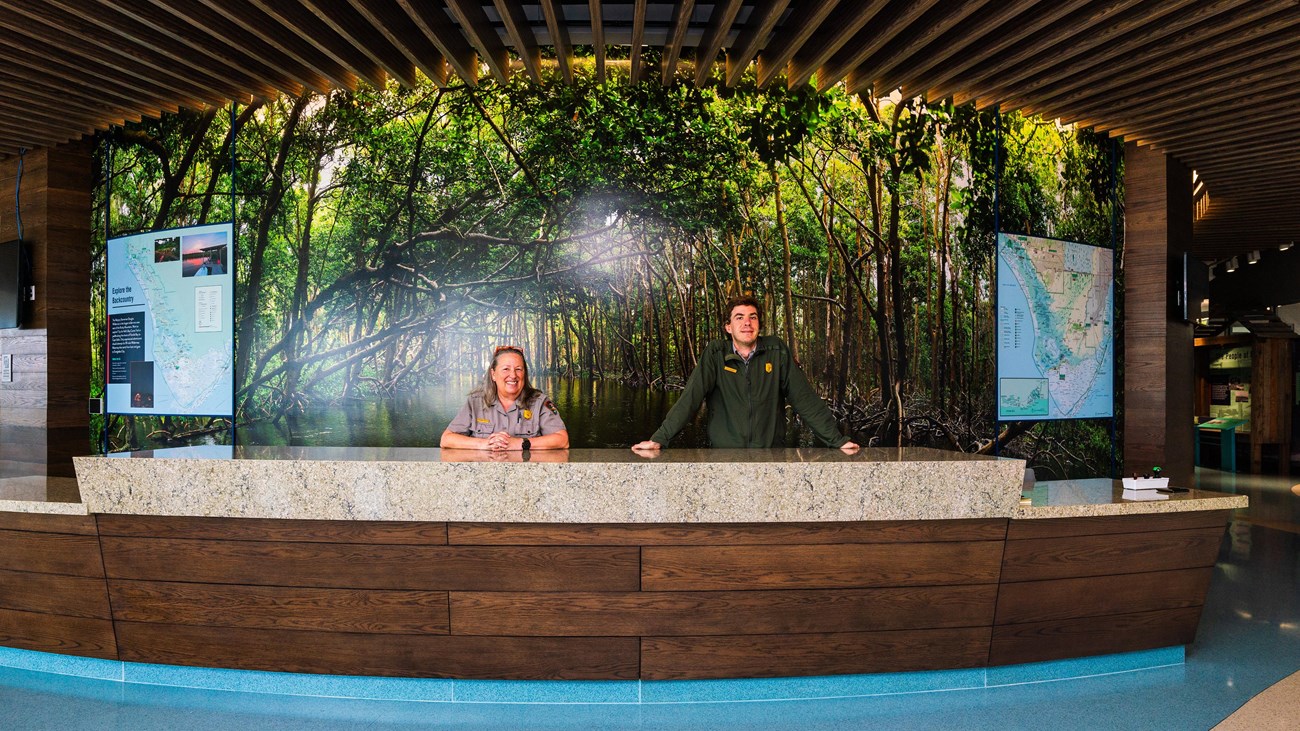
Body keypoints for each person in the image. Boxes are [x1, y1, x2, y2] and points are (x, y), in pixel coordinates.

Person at [632, 295, 859, 453]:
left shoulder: (775, 350)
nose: (747, 323)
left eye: (753, 317)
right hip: (725, 456)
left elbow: (804, 398)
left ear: (759, 324)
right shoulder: (716, 354)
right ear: (728, 327)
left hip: (770, 455)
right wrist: (659, 439)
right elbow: (690, 398)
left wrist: (837, 440)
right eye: (739, 317)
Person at [441, 345, 569, 451]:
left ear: (524, 374)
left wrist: (521, 444)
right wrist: (484, 444)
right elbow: (446, 439)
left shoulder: (539, 401)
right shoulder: (475, 402)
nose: (513, 375)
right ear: (493, 374)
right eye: (506, 369)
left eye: (518, 369)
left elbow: (562, 440)